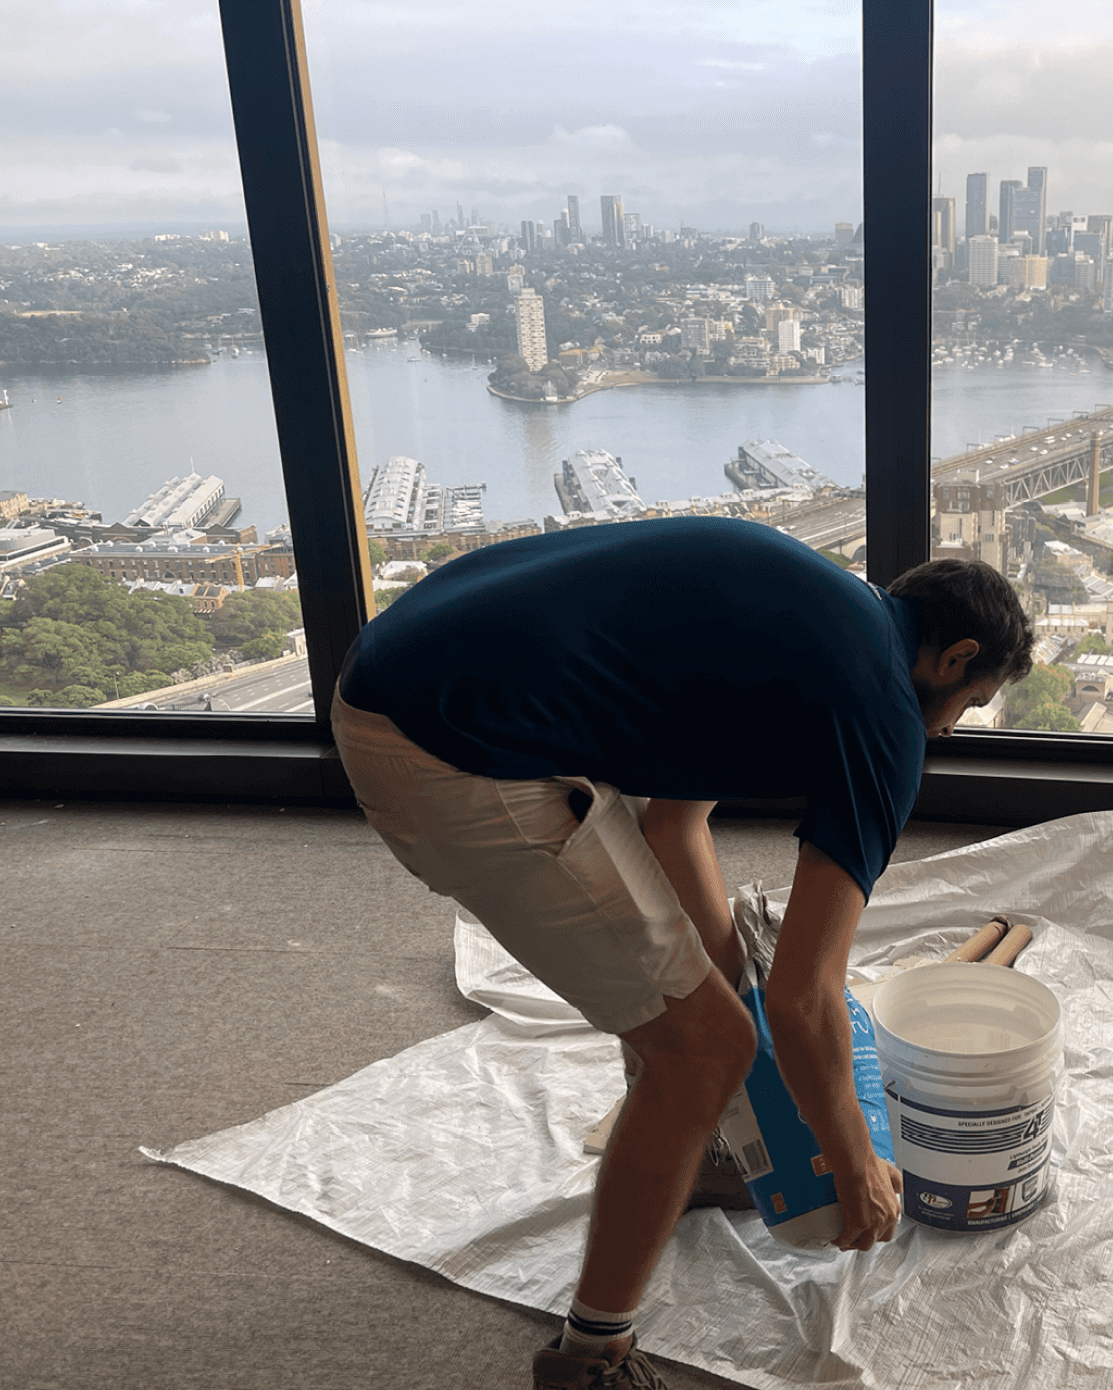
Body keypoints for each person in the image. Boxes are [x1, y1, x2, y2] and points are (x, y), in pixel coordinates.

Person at [330, 517, 1033, 1390]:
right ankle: (592, 1360)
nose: (953, 732)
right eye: (968, 705)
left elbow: (674, 825)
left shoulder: (812, 619)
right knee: (702, 1048)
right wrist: (851, 1160)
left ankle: (691, 1139)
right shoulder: (885, 705)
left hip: (392, 677)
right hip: (449, 750)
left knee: (698, 1020)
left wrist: (726, 1003)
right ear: (956, 657)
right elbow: (806, 996)